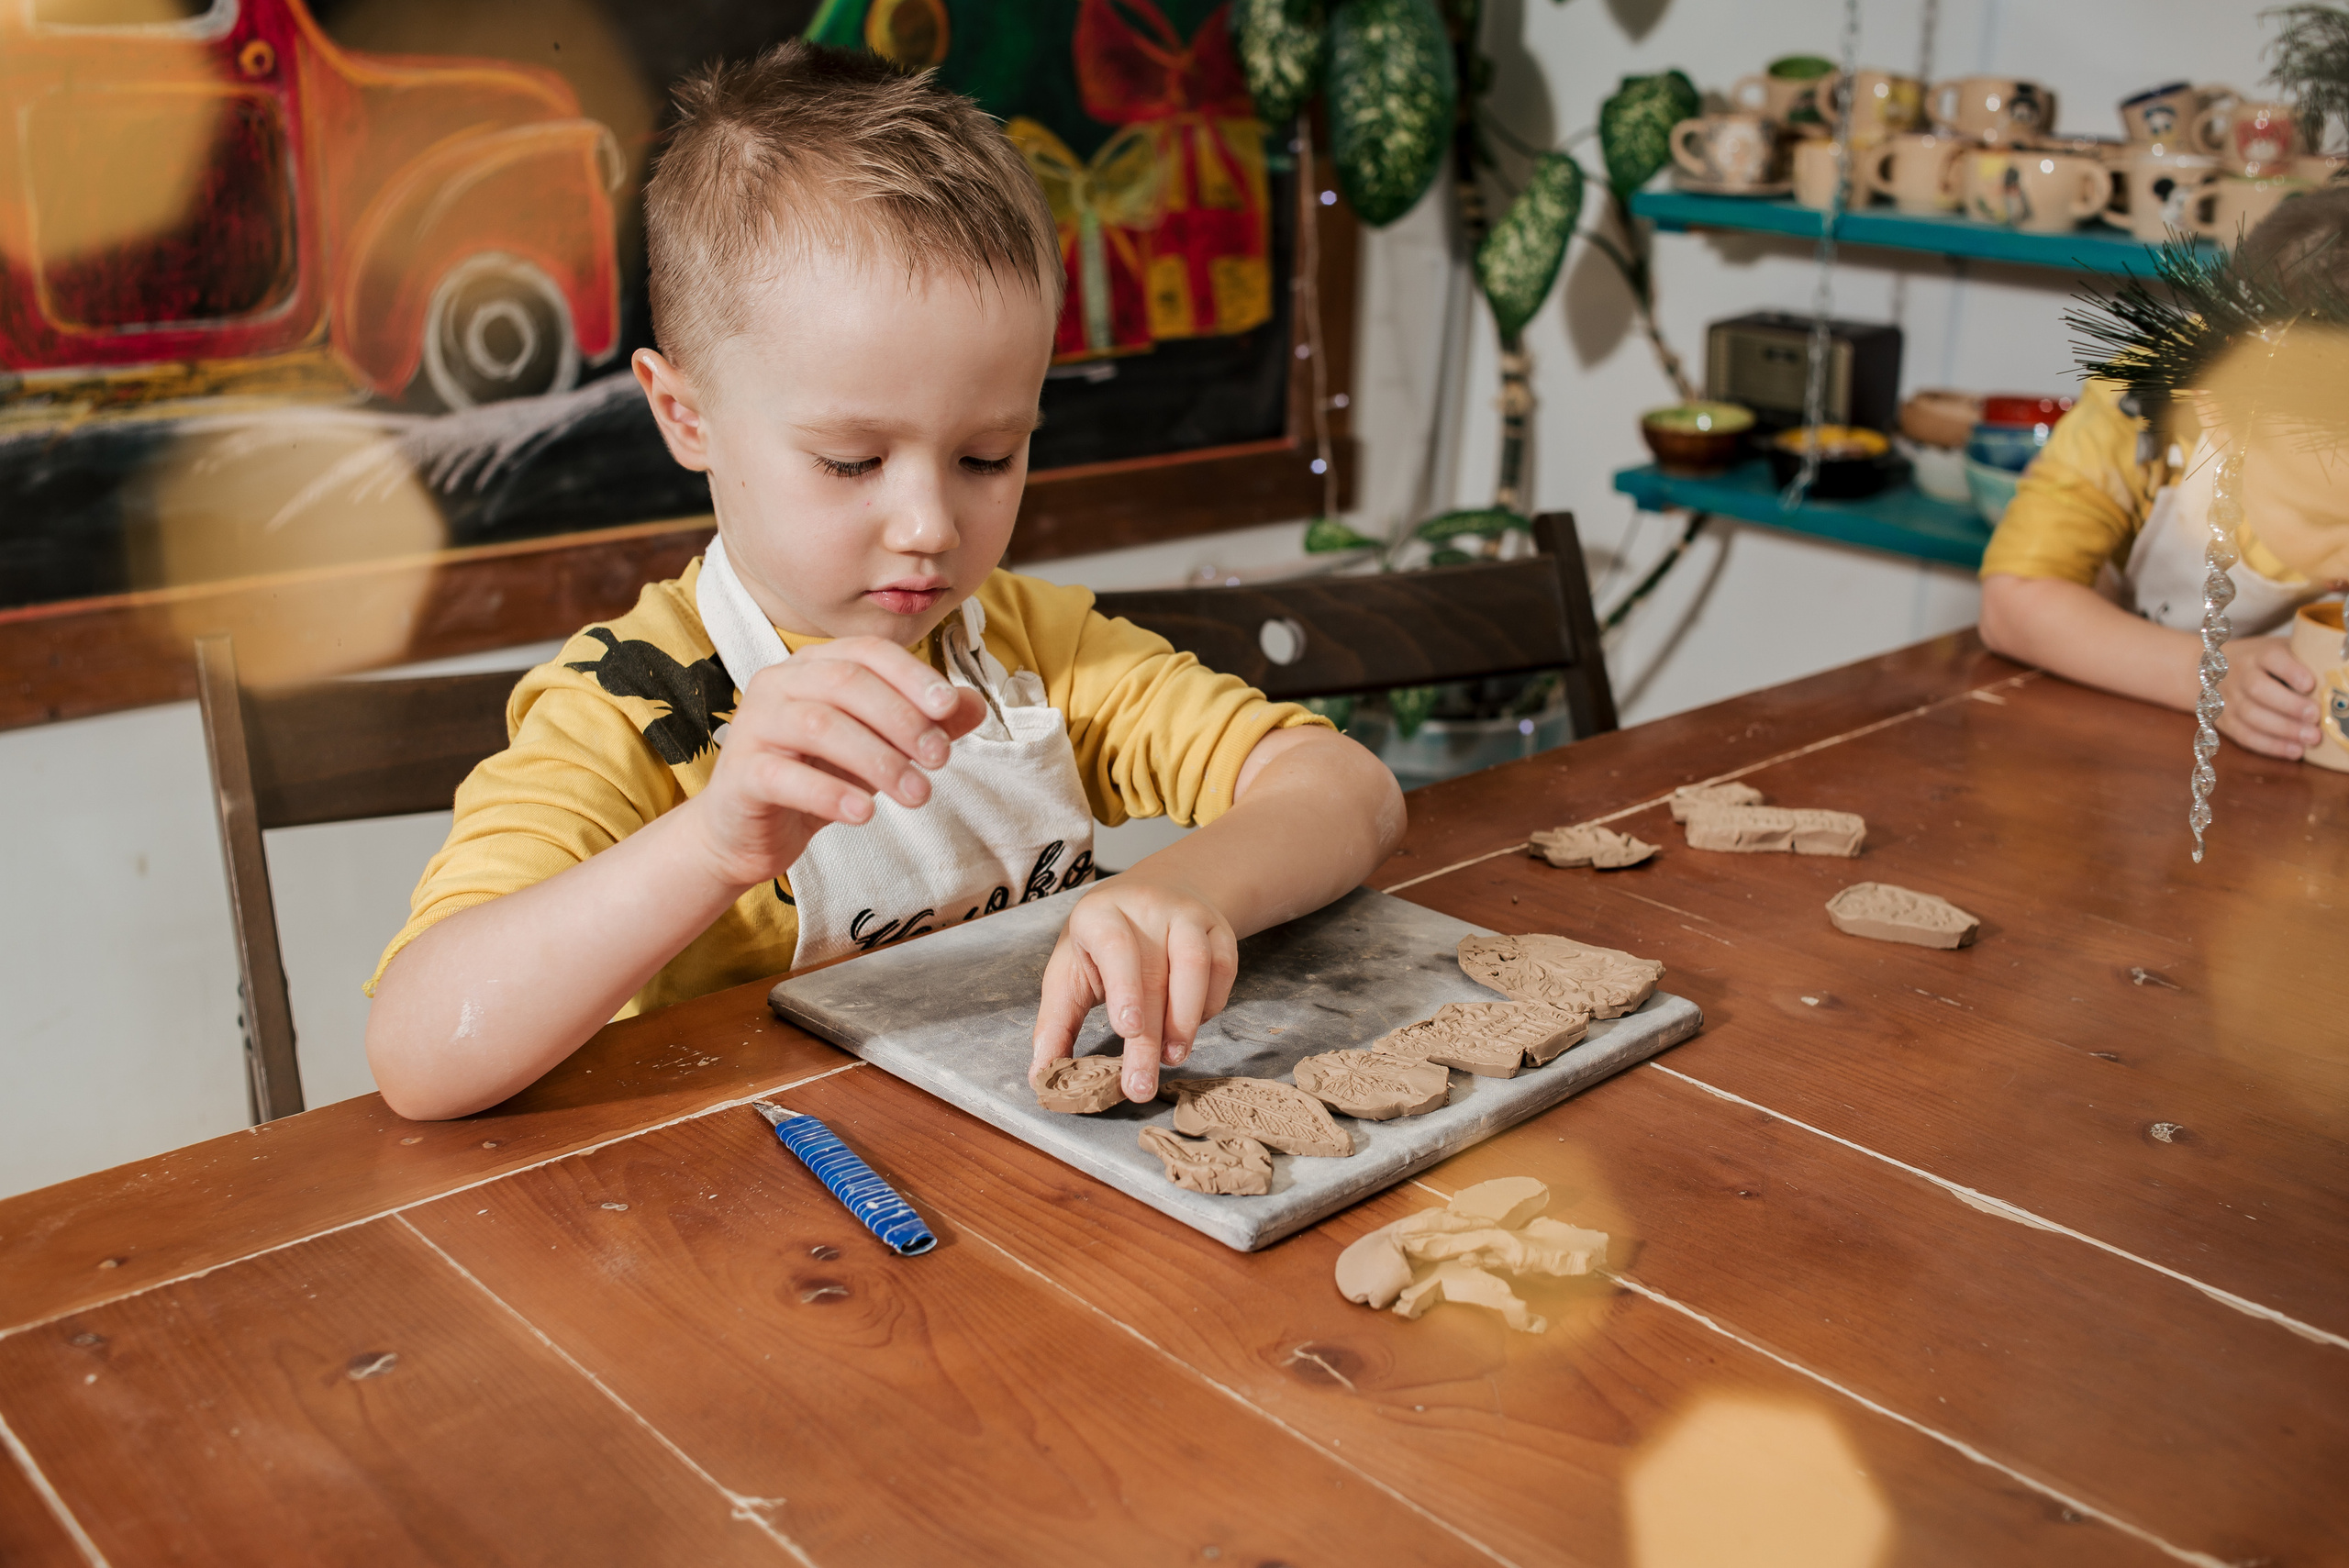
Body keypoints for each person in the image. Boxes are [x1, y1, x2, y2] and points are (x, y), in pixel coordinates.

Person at [363, 44, 1405, 1121]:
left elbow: (1349, 792)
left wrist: (1179, 889)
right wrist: (713, 843)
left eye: (988, 456)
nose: (929, 525)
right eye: (852, 461)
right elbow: (421, 1051)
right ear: (687, 416)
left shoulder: (1036, 649)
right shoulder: (630, 704)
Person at [1977, 186, 2349, 760]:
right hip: (2131, 752)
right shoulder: (2140, 408)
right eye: (2327, 518)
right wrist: (2206, 676)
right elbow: (2012, 606)